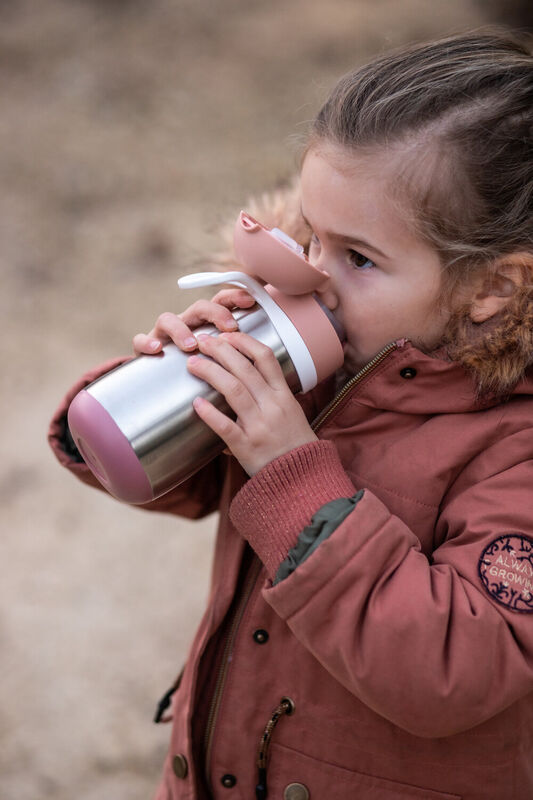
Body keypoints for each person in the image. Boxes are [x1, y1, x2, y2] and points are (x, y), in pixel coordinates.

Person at [49, 30, 533, 800]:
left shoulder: (514, 448)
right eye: (309, 235)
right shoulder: (322, 369)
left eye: (359, 258)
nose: (312, 278)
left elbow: (453, 672)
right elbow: (158, 478)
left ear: (491, 291)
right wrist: (171, 381)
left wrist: (290, 471)